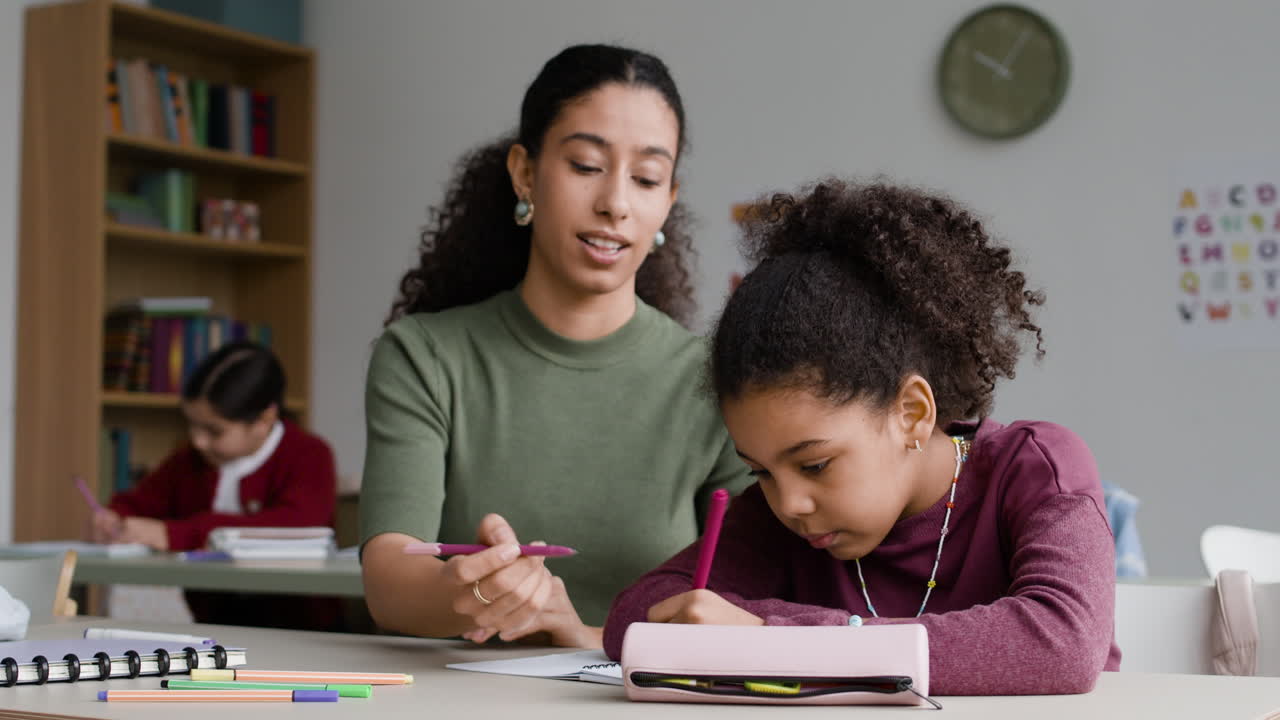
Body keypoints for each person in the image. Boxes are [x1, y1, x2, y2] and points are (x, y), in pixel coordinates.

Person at [603, 180, 1121, 694]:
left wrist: (771, 639)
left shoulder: (1035, 469)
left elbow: (1062, 644)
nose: (790, 503)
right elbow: (635, 615)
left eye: (815, 465)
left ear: (911, 413)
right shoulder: (779, 517)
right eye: (759, 470)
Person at [359, 44, 750, 649]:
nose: (616, 204)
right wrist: (478, 595)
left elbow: (748, 605)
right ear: (524, 173)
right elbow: (389, 576)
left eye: (646, 178)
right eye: (587, 165)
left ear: (668, 199)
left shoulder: (718, 379)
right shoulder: (424, 357)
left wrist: (583, 633)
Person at [93, 340, 340, 628]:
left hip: (304, 629)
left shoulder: (309, 454)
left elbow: (295, 526)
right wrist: (113, 519)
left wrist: (176, 534)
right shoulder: (190, 460)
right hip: (215, 628)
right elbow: (139, 502)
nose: (198, 440)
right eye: (192, 424)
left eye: (214, 430)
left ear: (264, 419)